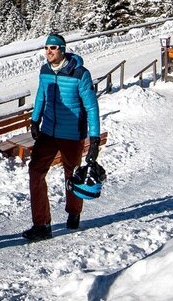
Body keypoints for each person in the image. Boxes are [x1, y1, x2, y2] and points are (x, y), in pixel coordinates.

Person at [22, 33, 101, 241]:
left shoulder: (79, 73)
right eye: (47, 48)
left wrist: (94, 140)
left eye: (53, 48)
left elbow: (92, 107)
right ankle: (41, 224)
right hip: (48, 130)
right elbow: (41, 94)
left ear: (62, 50)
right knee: (35, 171)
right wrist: (34, 119)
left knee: (71, 175)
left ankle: (74, 212)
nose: (49, 51)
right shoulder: (45, 70)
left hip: (72, 133)